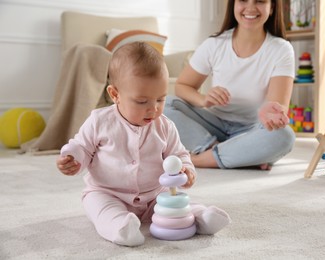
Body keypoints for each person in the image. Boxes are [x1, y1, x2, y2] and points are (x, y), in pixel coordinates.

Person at [56, 42, 231, 247]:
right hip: (107, 192)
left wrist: (187, 170)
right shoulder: (99, 121)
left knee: (176, 203)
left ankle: (200, 217)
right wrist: (73, 158)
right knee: (100, 209)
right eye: (141, 102)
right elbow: (82, 147)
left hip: (153, 194)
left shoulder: (165, 126)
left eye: (161, 99)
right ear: (115, 95)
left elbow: (179, 154)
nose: (153, 109)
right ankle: (120, 227)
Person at [164, 0, 296, 170]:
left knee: (284, 136)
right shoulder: (215, 44)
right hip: (213, 127)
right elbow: (182, 86)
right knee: (165, 105)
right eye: (243, 0)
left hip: (252, 130)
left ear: (271, 8)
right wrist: (203, 99)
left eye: (260, 1)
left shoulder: (281, 49)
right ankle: (234, 155)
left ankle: (199, 160)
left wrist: (270, 114)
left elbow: (278, 108)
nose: (250, 7)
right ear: (233, 5)